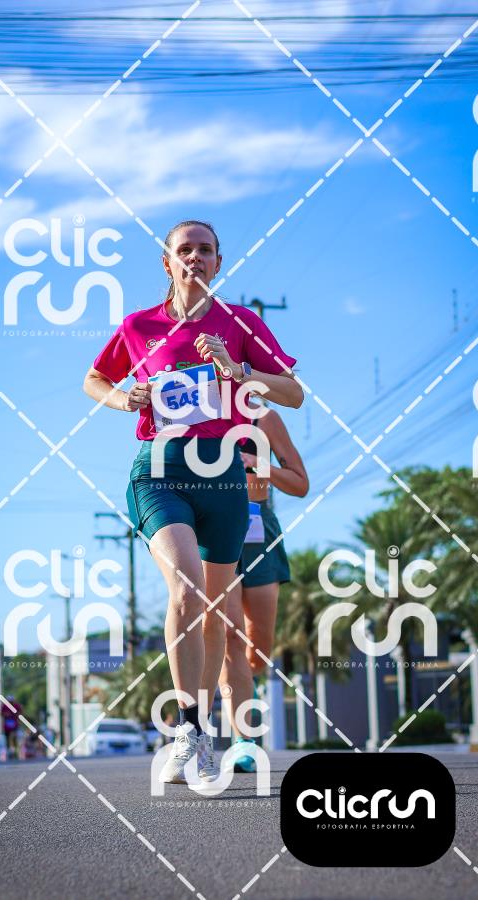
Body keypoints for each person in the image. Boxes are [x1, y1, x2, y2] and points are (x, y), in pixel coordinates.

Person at [84, 220, 302, 785]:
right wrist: (123, 397)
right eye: (185, 250)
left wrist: (239, 371)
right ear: (168, 262)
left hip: (223, 474)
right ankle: (188, 731)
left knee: (214, 612)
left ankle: (205, 730)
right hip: (159, 469)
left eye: (206, 250)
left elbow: (294, 393)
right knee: (187, 589)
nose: (195, 258)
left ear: (218, 262)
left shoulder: (241, 323)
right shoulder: (139, 326)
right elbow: (93, 379)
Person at [219, 400, 309, 772]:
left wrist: (258, 464)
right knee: (229, 636)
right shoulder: (195, 418)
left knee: (258, 651)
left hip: (259, 530)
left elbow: (300, 484)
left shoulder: (264, 418)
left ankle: (247, 686)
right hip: (215, 528)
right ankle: (243, 738)